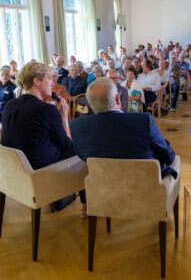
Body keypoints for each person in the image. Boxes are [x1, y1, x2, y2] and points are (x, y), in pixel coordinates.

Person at [1, 61, 85, 211]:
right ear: (37, 81)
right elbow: (67, 145)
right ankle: (85, 208)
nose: (52, 83)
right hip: (41, 172)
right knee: (80, 153)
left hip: (15, 172)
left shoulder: (10, 105)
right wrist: (64, 117)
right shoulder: (46, 109)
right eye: (48, 78)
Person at [70, 78, 177, 179]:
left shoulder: (77, 126)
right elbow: (168, 156)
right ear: (118, 99)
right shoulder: (143, 121)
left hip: (103, 190)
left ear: (90, 103)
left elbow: (83, 158)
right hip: (146, 187)